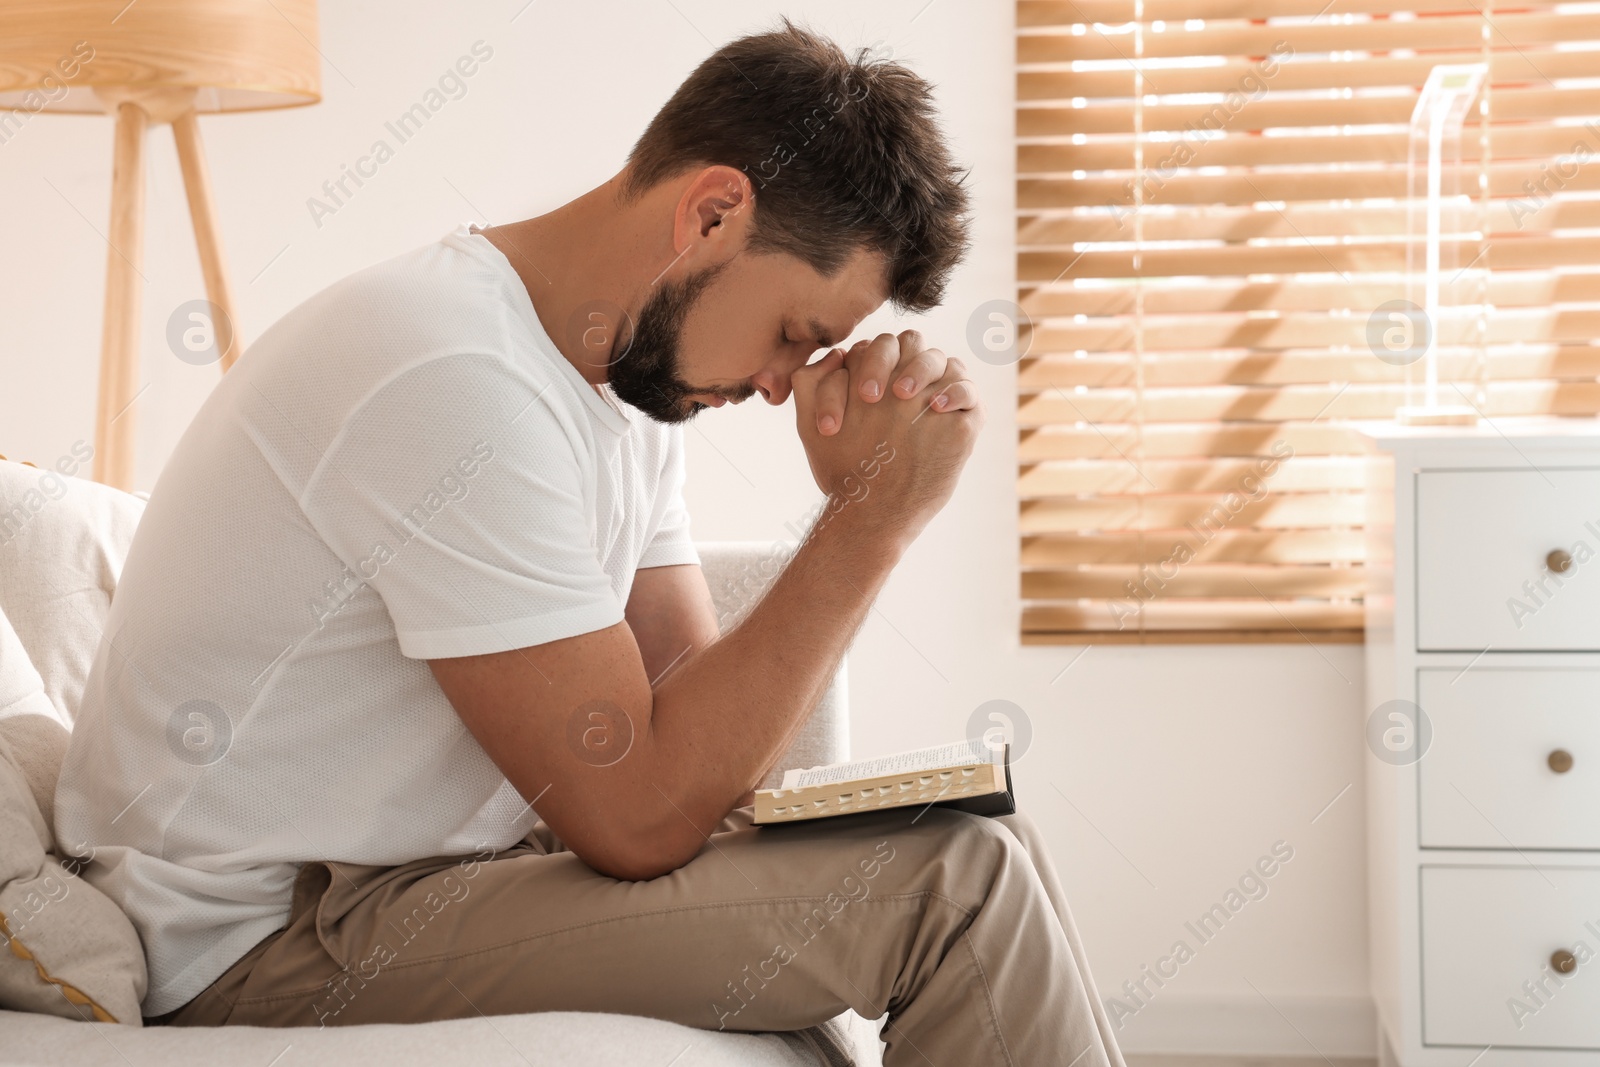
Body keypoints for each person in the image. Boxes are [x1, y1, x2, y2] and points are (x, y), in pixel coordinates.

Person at [55, 21, 1125, 1066]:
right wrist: (870, 523)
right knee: (951, 879)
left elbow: (685, 728)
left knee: (990, 844)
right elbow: (641, 812)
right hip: (261, 942)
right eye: (795, 332)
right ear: (712, 212)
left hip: (409, 884)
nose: (777, 382)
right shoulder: (449, 373)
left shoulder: (621, 390)